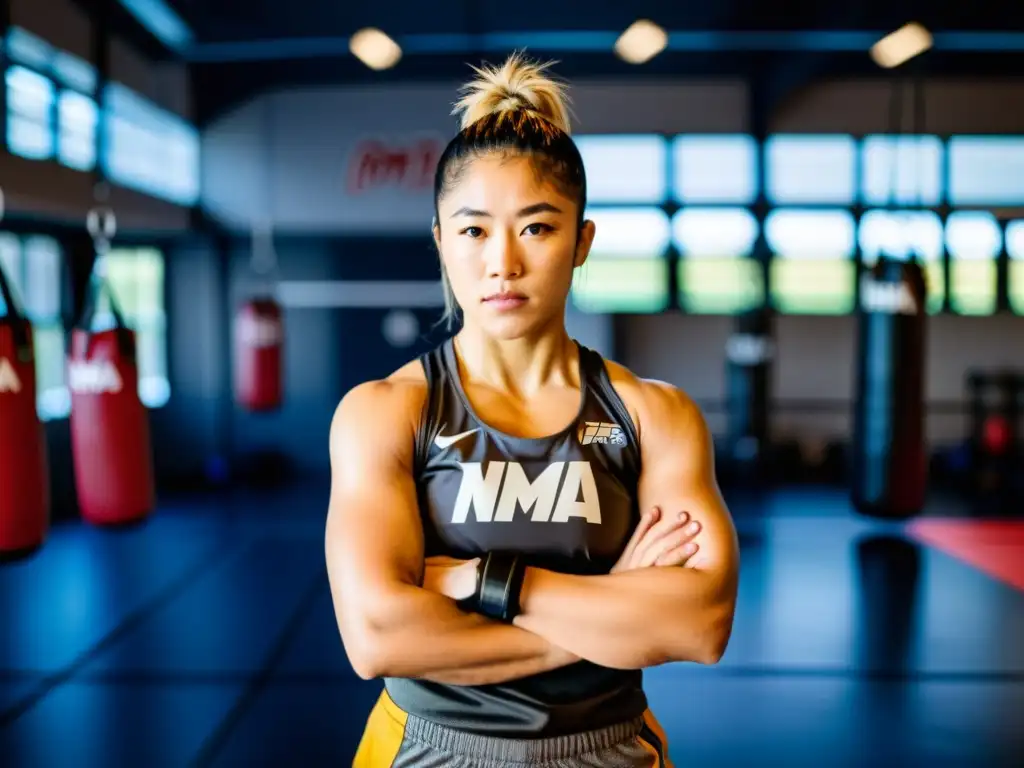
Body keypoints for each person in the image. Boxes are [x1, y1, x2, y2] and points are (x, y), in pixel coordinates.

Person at [325, 52, 740, 768]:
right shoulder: (386, 412)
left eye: (537, 228)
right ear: (440, 242)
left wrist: (478, 581)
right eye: (474, 230)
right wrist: (613, 607)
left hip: (610, 749)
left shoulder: (655, 417)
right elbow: (379, 639)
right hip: (426, 750)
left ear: (581, 241)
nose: (502, 264)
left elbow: (698, 623)